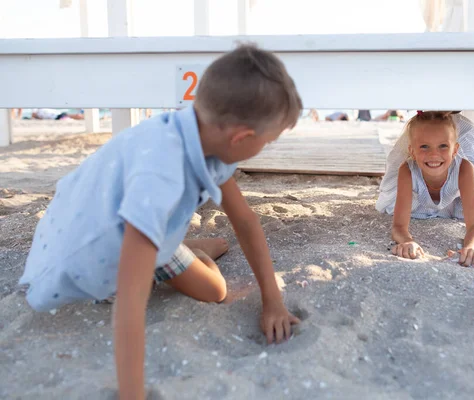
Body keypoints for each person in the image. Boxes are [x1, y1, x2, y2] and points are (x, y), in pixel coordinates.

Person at [19, 44, 303, 399]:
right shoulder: (160, 173)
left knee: (216, 291)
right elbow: (131, 306)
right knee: (133, 280)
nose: (266, 147)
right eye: (268, 142)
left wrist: (272, 300)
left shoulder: (204, 135)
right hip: (95, 254)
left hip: (143, 231)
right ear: (242, 137)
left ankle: (177, 244)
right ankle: (167, 245)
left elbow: (245, 221)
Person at [376, 111, 474, 267]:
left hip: (456, 194)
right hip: (423, 198)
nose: (434, 154)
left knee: (470, 201)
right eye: (424, 146)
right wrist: (408, 242)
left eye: (443, 146)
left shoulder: (464, 168)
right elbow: (399, 226)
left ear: (455, 150)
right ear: (412, 151)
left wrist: (470, 247)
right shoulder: (407, 170)